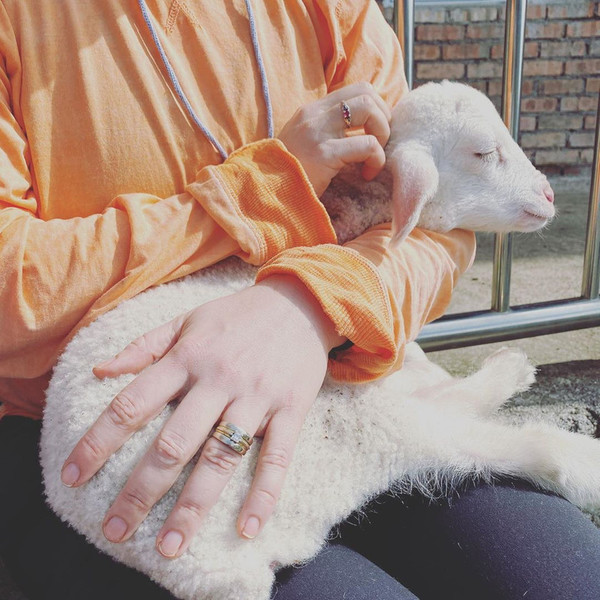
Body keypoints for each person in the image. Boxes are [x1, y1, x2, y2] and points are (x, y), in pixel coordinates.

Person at [1, 1, 599, 599]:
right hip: (97, 425)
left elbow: (432, 228)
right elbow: (13, 283)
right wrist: (261, 194)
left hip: (342, 383)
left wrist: (309, 306)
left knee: (564, 579)